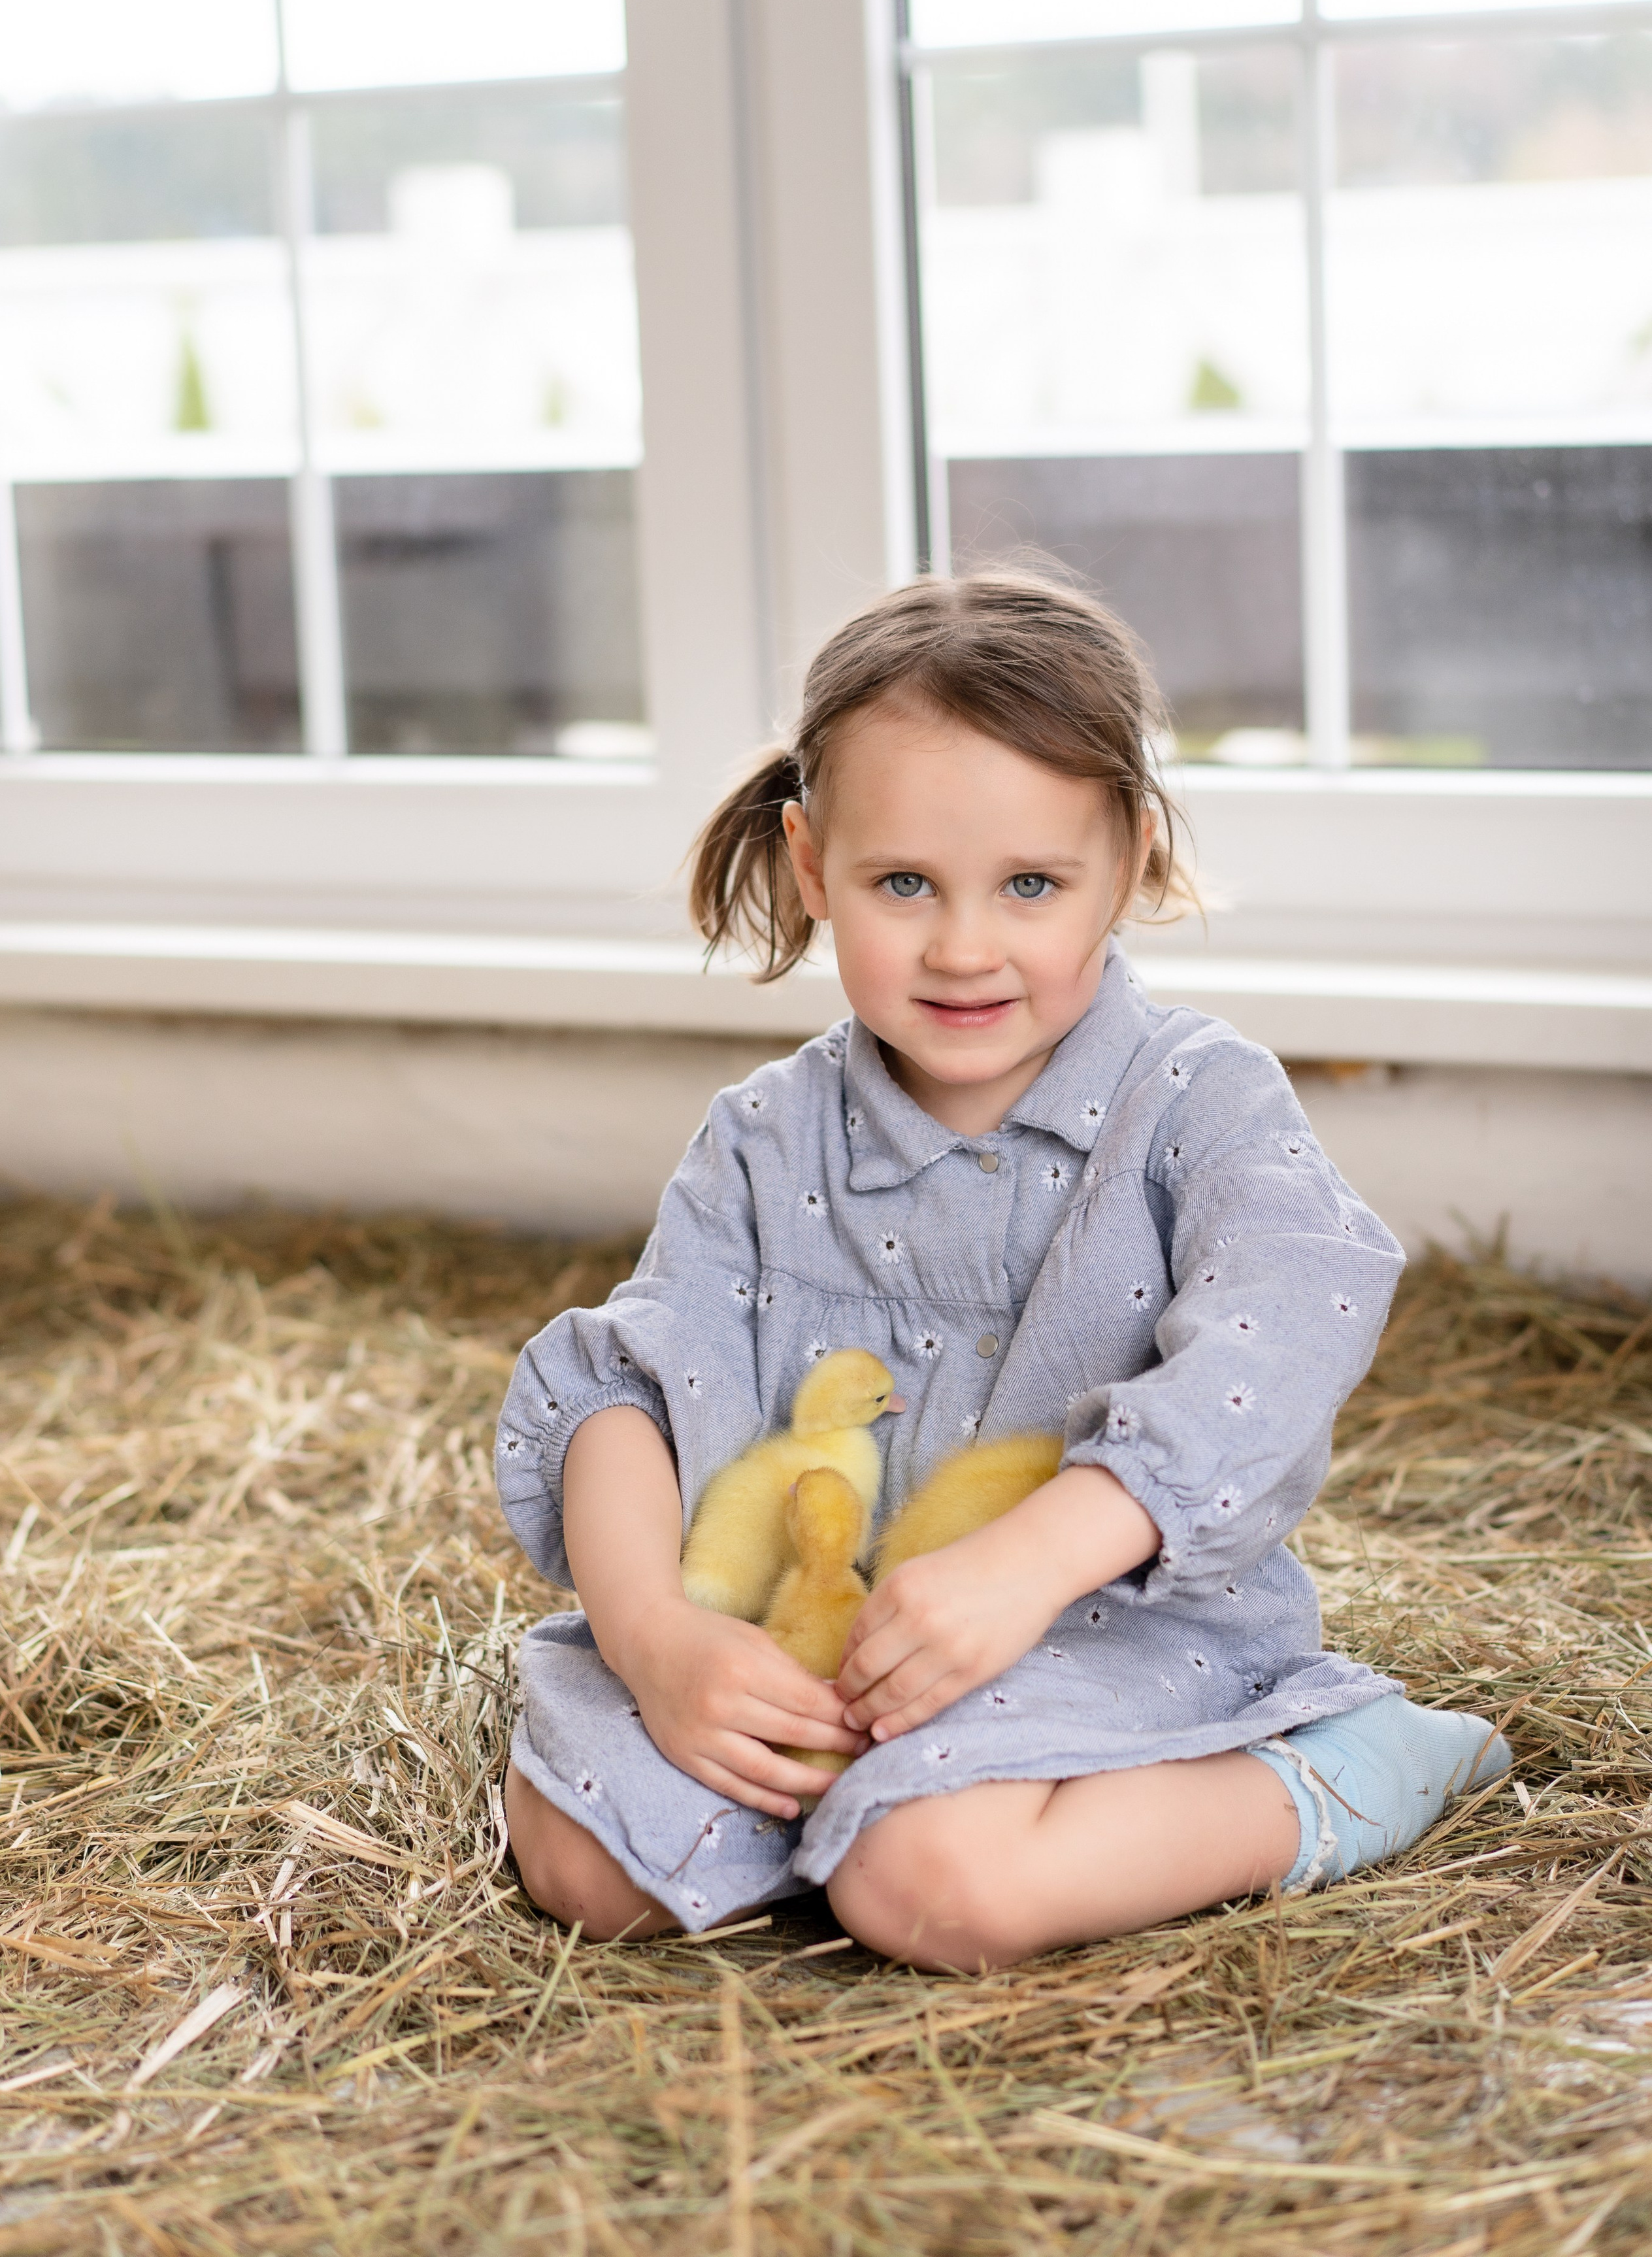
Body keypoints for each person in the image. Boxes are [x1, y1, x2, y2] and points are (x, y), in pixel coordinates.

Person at [495, 571, 1509, 1970]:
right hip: (809, 1627)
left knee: (931, 1895)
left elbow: (1286, 1328)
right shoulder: (760, 1137)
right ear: (809, 867)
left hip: (1095, 1629)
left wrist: (1037, 1558)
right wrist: (659, 1641)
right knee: (586, 1867)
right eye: (901, 883)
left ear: (1132, 859)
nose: (963, 947)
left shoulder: (1193, 1103)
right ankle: (830, 1804)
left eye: (1029, 884)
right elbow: (624, 1398)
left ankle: (1336, 1771)